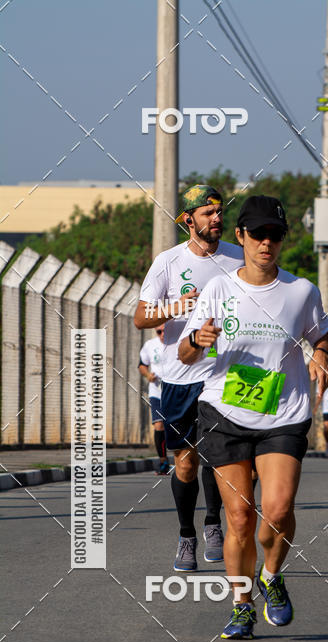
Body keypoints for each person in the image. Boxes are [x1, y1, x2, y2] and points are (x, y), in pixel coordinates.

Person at [178, 195, 328, 639]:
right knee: (241, 517)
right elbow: (186, 355)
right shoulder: (219, 288)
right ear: (241, 236)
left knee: (279, 510)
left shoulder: (301, 291)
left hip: (283, 413)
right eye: (259, 234)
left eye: (276, 235)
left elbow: (322, 333)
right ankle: (242, 604)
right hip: (224, 412)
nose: (267, 243)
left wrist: (321, 355)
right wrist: (199, 338)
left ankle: (272, 574)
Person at [134, 184, 244, 570]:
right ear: (188, 220)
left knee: (219, 458)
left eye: (219, 212)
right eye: (208, 214)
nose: (217, 219)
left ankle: (214, 524)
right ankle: (186, 534)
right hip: (180, 375)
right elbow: (140, 317)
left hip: (225, 375)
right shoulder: (167, 262)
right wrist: (174, 306)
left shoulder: (238, 258)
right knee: (186, 462)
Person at [139, 326, 168, 475]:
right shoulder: (150, 345)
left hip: (174, 392)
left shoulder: (177, 343)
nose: (162, 334)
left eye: (165, 330)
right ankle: (163, 461)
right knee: (159, 425)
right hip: (156, 391)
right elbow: (142, 365)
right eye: (159, 331)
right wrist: (147, 375)